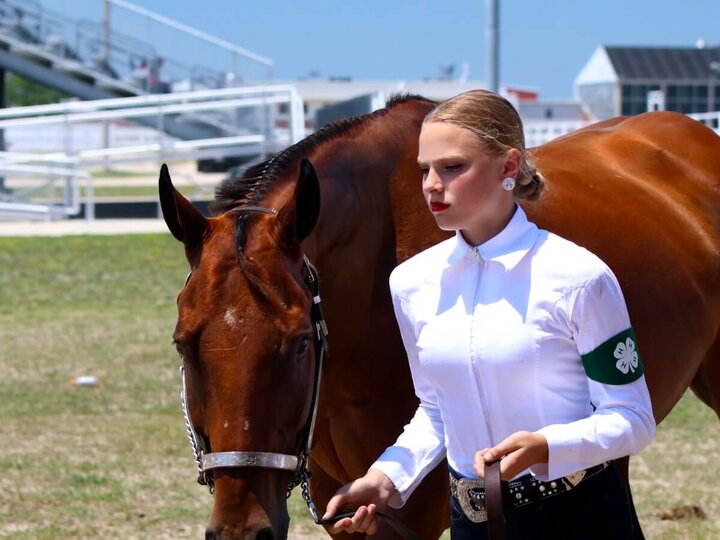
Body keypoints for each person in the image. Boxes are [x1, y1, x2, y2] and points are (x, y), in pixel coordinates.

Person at [322, 90, 656, 539]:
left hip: (580, 519)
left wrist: (546, 447)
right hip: (474, 524)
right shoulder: (411, 283)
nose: (431, 185)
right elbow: (438, 409)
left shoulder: (579, 277)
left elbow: (632, 419)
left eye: (452, 167)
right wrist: (385, 479)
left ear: (509, 166)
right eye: (424, 170)